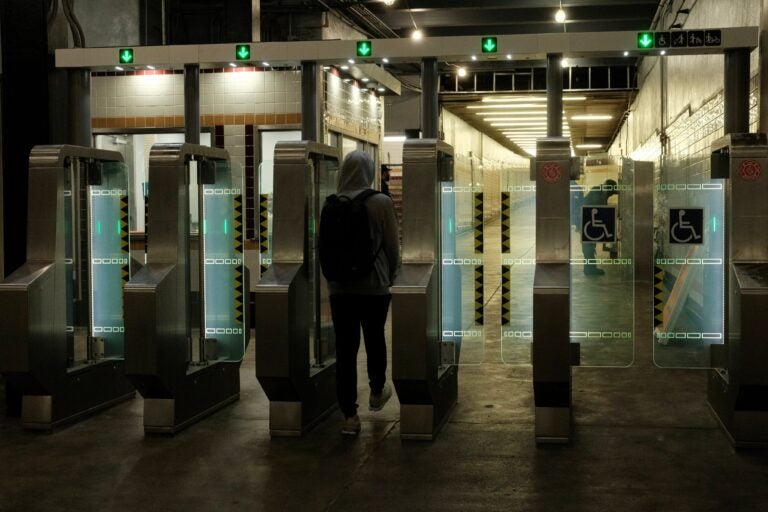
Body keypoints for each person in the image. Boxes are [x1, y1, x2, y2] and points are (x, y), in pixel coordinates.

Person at [326, 150, 400, 436]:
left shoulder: (331, 203)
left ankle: (348, 416)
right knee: (374, 338)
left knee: (345, 349)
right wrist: (391, 275)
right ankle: (377, 390)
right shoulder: (381, 202)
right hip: (374, 287)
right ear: (369, 172)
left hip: (340, 289)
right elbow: (392, 246)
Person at [581, 179, 617, 276]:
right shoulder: (598, 193)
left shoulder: (600, 191)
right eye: (611, 193)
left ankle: (590, 268)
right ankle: (589, 269)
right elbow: (599, 209)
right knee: (589, 246)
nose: (611, 195)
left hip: (588, 222)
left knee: (589, 246)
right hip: (587, 222)